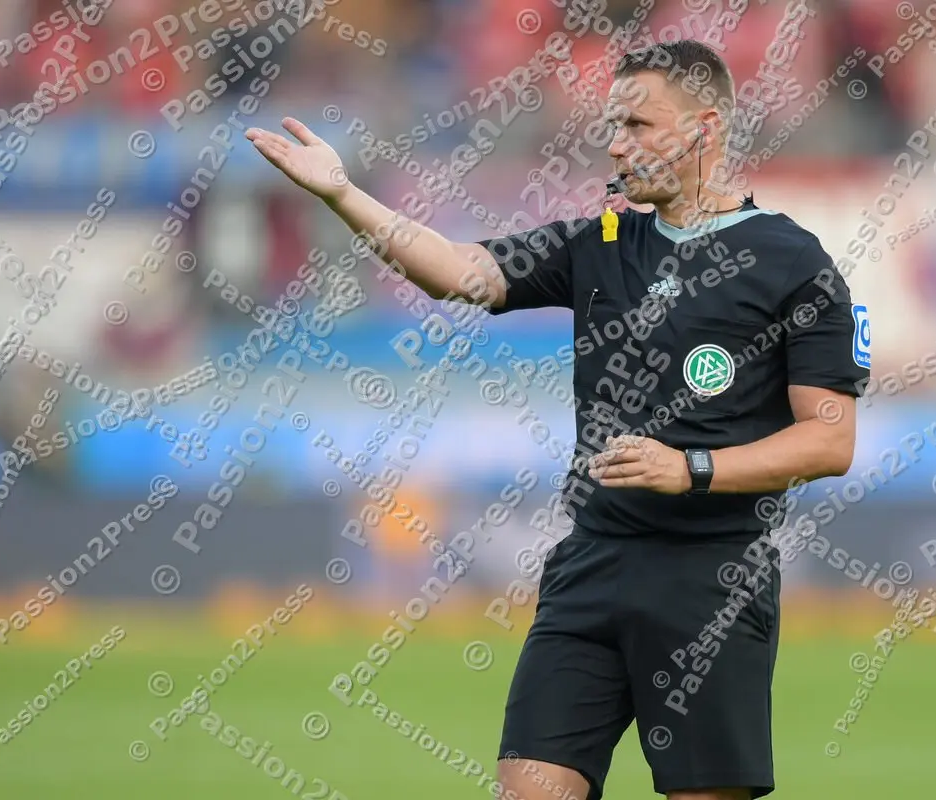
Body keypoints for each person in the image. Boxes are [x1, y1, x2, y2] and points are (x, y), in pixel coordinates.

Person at [246, 40, 870, 800]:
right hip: (590, 568)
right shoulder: (598, 242)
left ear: (705, 128)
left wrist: (690, 469)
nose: (616, 143)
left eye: (639, 124)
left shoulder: (792, 262)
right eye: (614, 124)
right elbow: (457, 269)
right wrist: (342, 193)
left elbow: (831, 439)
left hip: (712, 577)